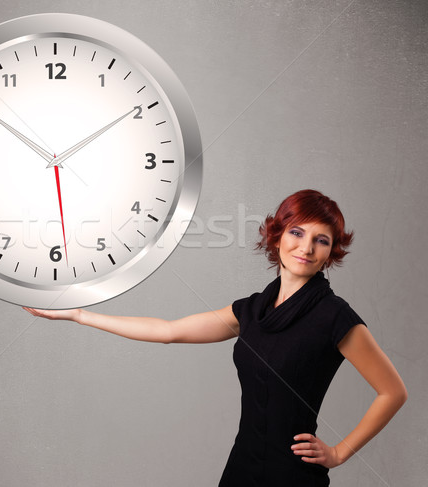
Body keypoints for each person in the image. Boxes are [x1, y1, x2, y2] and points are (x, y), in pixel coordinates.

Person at [23, 189, 407, 486]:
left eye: (321, 240)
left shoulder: (334, 315)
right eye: (296, 232)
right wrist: (79, 314)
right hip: (242, 467)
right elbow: (168, 331)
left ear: (330, 252)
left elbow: (393, 392)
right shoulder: (252, 310)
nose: (306, 248)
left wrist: (339, 453)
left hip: (292, 476)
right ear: (277, 237)